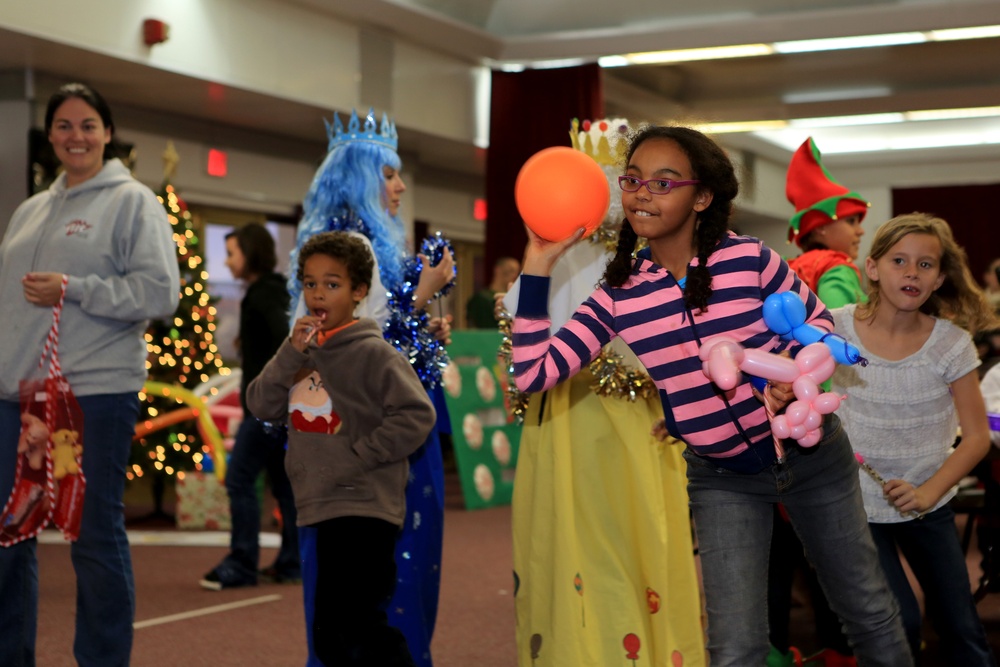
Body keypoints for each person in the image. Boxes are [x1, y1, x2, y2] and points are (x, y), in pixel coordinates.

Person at [510, 124, 912, 667]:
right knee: (734, 645)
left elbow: (820, 326)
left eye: (663, 182)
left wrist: (790, 372)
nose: (642, 193)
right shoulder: (619, 294)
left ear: (701, 197)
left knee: (866, 611)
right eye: (632, 180)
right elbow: (533, 373)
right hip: (722, 477)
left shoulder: (751, 259)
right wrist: (538, 264)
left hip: (813, 456)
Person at [502, 118, 705, 666]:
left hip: (630, 422)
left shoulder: (651, 258)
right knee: (597, 540)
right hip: (582, 418)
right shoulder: (569, 251)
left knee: (623, 540)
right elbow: (529, 344)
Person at [0, 82, 180, 666]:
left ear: (107, 133)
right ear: (50, 135)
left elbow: (161, 293)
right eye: (63, 125)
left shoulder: (133, 203)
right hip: (17, 396)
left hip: (92, 392)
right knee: (9, 532)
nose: (75, 136)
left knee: (92, 536)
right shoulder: (30, 209)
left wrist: (74, 288)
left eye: (87, 125)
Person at [290, 108, 455, 667]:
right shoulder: (341, 250)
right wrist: (420, 296)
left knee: (382, 573)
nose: (400, 186)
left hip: (385, 429)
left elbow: (375, 339)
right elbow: (348, 347)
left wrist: (421, 322)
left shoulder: (362, 244)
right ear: (358, 179)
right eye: (388, 175)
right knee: (369, 582)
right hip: (371, 435)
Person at [247, 231, 436, 666]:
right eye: (310, 283)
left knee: (361, 627)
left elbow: (415, 415)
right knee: (330, 635)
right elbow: (261, 404)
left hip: (365, 506)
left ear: (358, 292)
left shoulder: (374, 354)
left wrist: (359, 457)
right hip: (324, 506)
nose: (318, 294)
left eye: (332, 284)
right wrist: (290, 354)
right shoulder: (302, 354)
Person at [830, 212, 999, 664]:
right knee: (897, 622)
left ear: (939, 278)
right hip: (858, 505)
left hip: (930, 501)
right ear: (872, 268)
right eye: (899, 260)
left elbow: (977, 438)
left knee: (961, 626)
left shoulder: (952, 344)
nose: (912, 272)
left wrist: (927, 493)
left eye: (926, 264)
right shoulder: (835, 328)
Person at [768, 136, 871, 667]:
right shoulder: (838, 271)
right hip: (826, 416)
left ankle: (770, 648)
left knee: (779, 545)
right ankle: (840, 648)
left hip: (780, 414)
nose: (859, 231)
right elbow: (838, 334)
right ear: (822, 225)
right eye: (851, 221)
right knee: (832, 544)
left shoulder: (785, 270)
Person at [200, 223, 300, 590]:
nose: (227, 262)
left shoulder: (263, 294)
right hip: (279, 408)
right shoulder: (271, 291)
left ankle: (242, 563)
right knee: (283, 485)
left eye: (232, 253)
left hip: (266, 409)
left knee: (240, 478)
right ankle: (292, 562)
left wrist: (269, 391)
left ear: (251, 253)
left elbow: (285, 341)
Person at [466, 256, 520, 328]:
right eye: (511, 270)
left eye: (517, 272)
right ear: (498, 270)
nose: (514, 275)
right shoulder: (481, 299)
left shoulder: (516, 300)